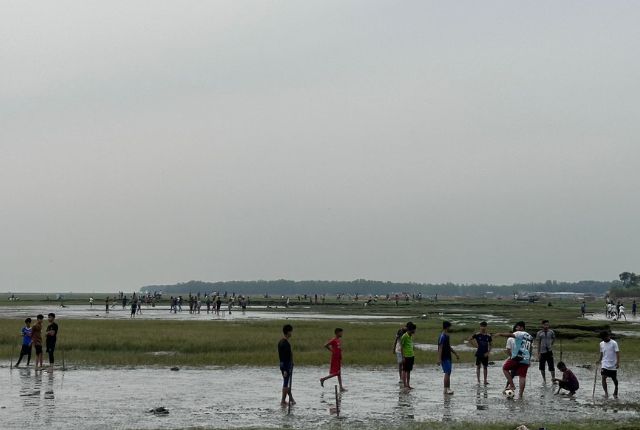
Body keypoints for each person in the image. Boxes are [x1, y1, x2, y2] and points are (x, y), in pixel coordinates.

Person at [495, 321, 533, 399]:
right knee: (522, 377)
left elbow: (510, 334)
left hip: (517, 357)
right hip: (526, 358)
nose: (516, 329)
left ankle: (512, 385)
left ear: (522, 327)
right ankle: (520, 395)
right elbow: (530, 349)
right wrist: (529, 359)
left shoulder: (519, 333)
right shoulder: (530, 336)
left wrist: (500, 334)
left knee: (505, 368)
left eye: (517, 327)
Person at [438, 321, 459, 395]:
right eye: (449, 327)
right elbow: (440, 348)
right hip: (444, 357)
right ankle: (445, 389)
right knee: (447, 372)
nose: (450, 328)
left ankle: (448, 388)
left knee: (449, 372)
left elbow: (448, 347)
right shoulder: (442, 336)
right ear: (447, 327)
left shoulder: (447, 336)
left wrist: (455, 353)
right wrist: (439, 359)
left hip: (448, 356)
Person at [468, 321, 492, 385]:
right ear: (480, 327)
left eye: (484, 326)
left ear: (486, 327)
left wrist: (488, 352)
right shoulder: (477, 334)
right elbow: (469, 339)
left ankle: (485, 380)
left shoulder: (488, 336)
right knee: (478, 366)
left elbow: (491, 345)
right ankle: (478, 381)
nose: (483, 328)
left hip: (485, 353)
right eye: (482, 326)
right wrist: (475, 346)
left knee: (485, 367)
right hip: (479, 353)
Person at [598, 331, 620, 399]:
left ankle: (616, 389)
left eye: (605, 337)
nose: (604, 339)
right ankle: (606, 393)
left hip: (613, 364)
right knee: (603, 377)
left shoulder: (614, 343)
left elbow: (617, 353)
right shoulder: (601, 344)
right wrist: (599, 360)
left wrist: (618, 362)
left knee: (614, 379)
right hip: (604, 364)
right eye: (603, 338)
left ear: (608, 336)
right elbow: (602, 353)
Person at [278, 324, 295, 406]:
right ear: (288, 332)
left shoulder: (282, 342)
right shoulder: (284, 343)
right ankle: (283, 401)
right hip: (285, 365)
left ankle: (291, 399)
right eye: (291, 331)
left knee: (286, 382)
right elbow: (284, 357)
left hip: (285, 364)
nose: (291, 333)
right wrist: (285, 369)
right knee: (285, 383)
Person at [536, 320, 556, 384]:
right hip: (542, 352)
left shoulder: (551, 332)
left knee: (551, 366)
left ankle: (553, 379)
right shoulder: (539, 333)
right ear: (542, 325)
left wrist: (551, 345)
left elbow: (554, 338)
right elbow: (538, 343)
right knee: (542, 367)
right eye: (545, 325)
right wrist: (538, 353)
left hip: (549, 351)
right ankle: (544, 380)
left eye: (547, 325)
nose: (546, 326)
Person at [400, 322, 416, 389]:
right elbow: (401, 347)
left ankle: (408, 385)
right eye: (414, 329)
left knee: (409, 370)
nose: (415, 331)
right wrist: (403, 357)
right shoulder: (404, 336)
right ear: (411, 329)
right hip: (406, 356)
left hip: (411, 355)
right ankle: (404, 385)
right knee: (404, 370)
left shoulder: (410, 336)